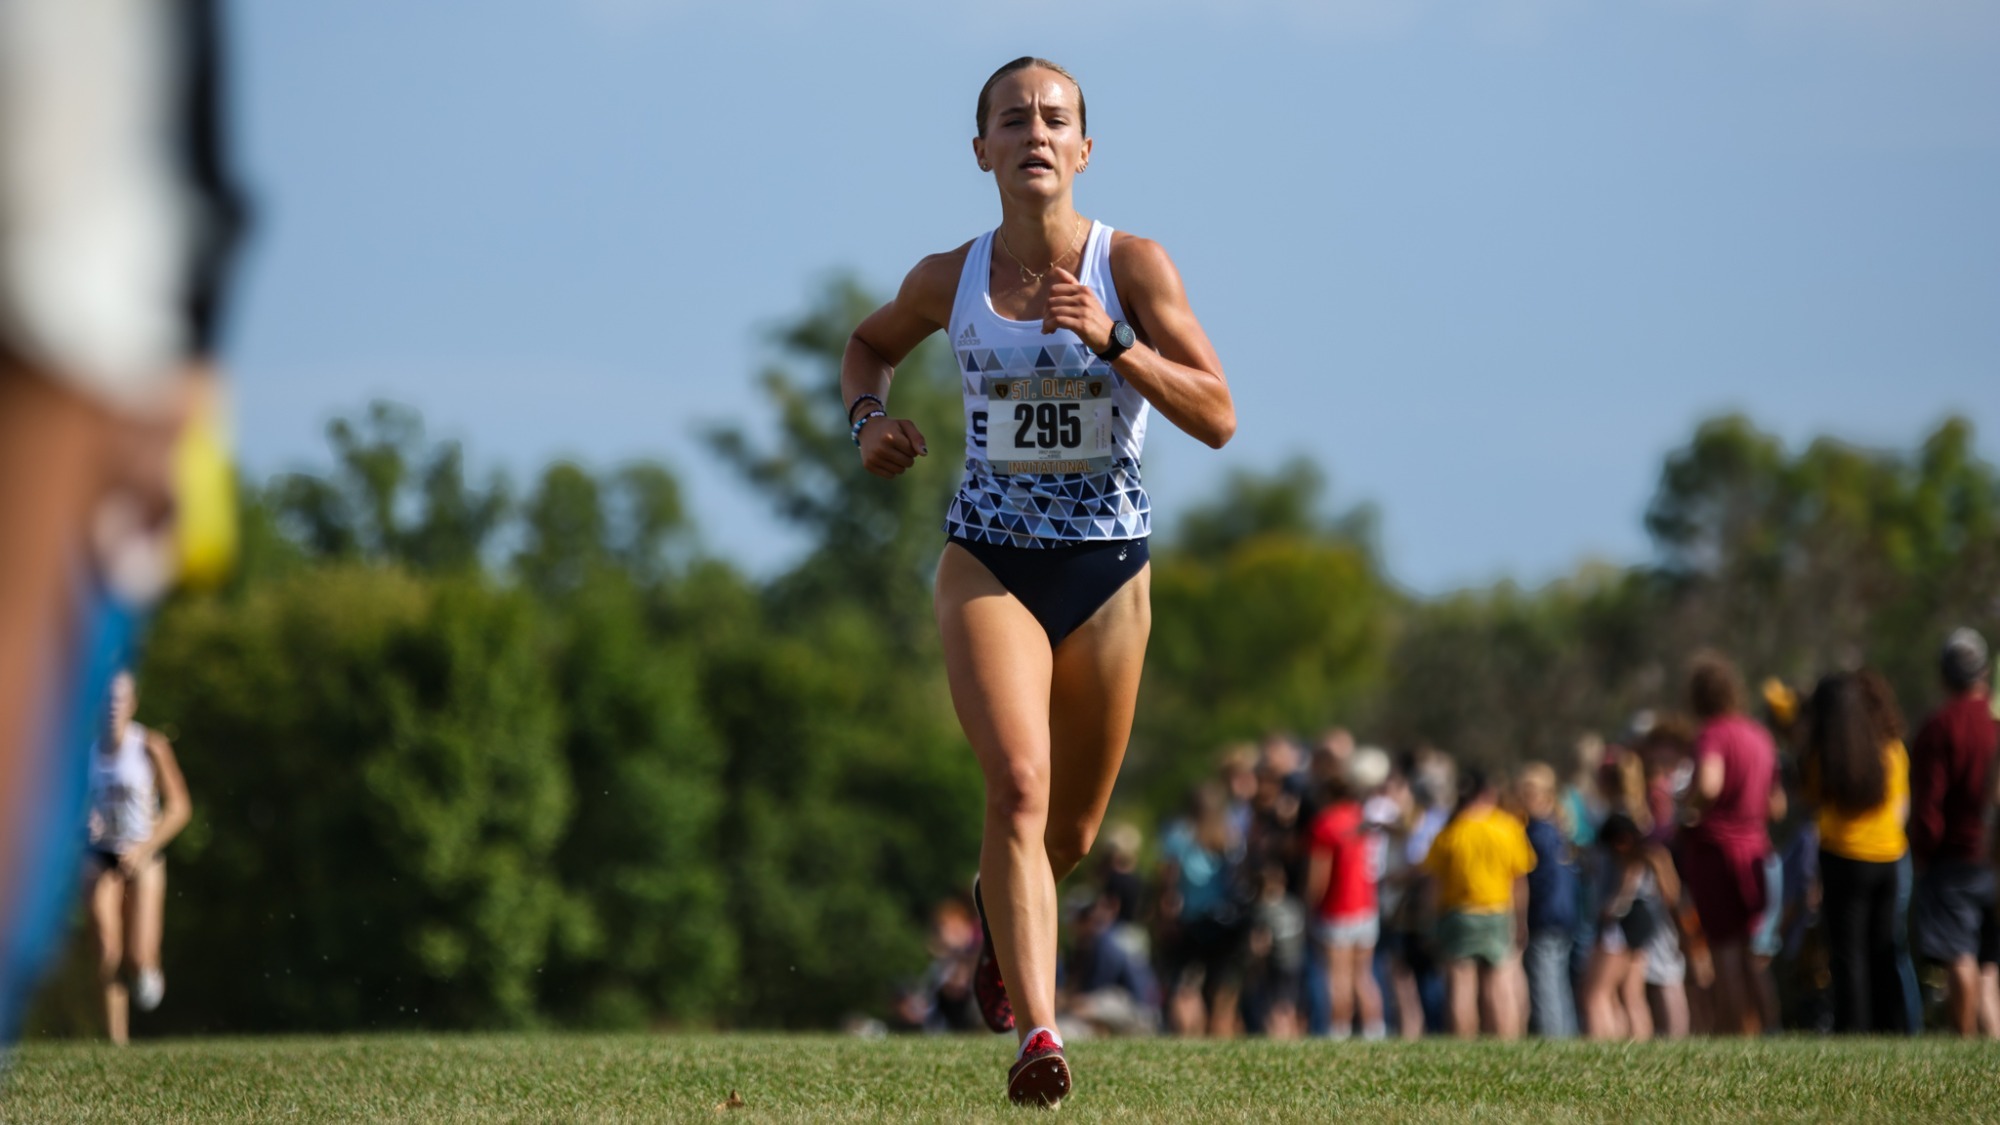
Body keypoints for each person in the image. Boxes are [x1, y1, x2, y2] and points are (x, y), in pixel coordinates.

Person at [842, 55, 1233, 1104]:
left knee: (1069, 834)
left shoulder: (1131, 267)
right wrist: (868, 421)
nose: (1035, 135)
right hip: (989, 559)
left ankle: (994, 906)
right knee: (1017, 784)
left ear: (1084, 149)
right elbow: (866, 346)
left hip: (1107, 573)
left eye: (1054, 119)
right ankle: (1041, 1039)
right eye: (1012, 120)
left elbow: (1216, 414)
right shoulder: (950, 277)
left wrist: (1112, 341)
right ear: (982, 151)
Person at [0, 0, 247, 1042]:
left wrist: (179, 337)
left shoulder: (137, 744)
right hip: (82, 298)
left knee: (75, 894)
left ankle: (129, 988)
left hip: (93, 293)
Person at [1798, 670, 1915, 1033]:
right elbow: (1902, 807)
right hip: (1888, 857)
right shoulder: (1891, 748)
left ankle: (1854, 1030)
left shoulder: (1827, 755)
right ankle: (1893, 1027)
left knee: (1848, 955)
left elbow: (1811, 801)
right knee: (1883, 949)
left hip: (1843, 856)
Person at [1678, 652, 1782, 1036]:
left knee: (1724, 948)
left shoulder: (1712, 734)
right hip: (1757, 851)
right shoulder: (1760, 735)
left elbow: (1709, 784)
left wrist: (1683, 804)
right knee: (1753, 952)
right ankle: (1769, 1030)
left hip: (1718, 852)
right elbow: (1777, 804)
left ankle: (1734, 1035)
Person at [84, 672, 190, 1044]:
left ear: (133, 703)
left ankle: (147, 971)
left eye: (120, 698)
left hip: (144, 855)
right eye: (106, 698)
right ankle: (117, 1042)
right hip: (99, 855)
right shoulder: (86, 753)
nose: (112, 706)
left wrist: (143, 849)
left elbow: (179, 808)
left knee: (138, 957)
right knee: (106, 948)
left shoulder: (149, 746)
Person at [1910, 628, 1999, 1036]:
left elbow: (1930, 802)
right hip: (1992, 859)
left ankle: (1963, 1046)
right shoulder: (1994, 723)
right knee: (1988, 966)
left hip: (1958, 859)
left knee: (1959, 955)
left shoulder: (1940, 727)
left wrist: (1922, 851)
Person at [1424, 768, 1535, 1039]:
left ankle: (1464, 1043)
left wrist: (1429, 920)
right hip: (1498, 910)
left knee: (1461, 983)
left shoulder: (1452, 831)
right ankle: (1506, 1043)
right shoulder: (1508, 828)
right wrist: (1521, 919)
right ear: (1490, 793)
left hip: (1459, 912)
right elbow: (1518, 880)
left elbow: (1434, 884)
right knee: (1499, 983)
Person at [1157, 784, 1249, 1040]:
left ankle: (1187, 1037)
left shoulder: (1178, 834)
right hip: (1225, 922)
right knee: (1221, 988)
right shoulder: (1230, 835)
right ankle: (1219, 1035)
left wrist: (1165, 918)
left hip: (1190, 922)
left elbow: (1168, 884)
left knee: (1184, 987)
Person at [1580, 813, 1682, 1040]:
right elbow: (1672, 895)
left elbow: (1622, 898)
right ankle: (1639, 1043)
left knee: (1596, 995)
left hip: (1624, 926)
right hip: (1646, 926)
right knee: (1631, 994)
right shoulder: (1658, 856)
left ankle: (1602, 1044)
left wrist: (1609, 910)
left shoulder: (1633, 860)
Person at [1306, 755, 1385, 1040]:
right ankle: (1374, 1029)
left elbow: (1320, 875)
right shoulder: (1361, 819)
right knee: (1363, 975)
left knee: (1337, 975)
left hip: (1337, 909)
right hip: (1366, 905)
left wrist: (1310, 905)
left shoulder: (1326, 824)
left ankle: (1338, 1030)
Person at [1516, 763, 1577, 1038]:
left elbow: (1539, 883)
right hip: (1563, 916)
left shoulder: (1536, 834)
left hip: (1545, 918)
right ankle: (1566, 1037)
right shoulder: (1557, 829)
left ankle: (1554, 1044)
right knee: (1559, 985)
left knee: (1546, 988)